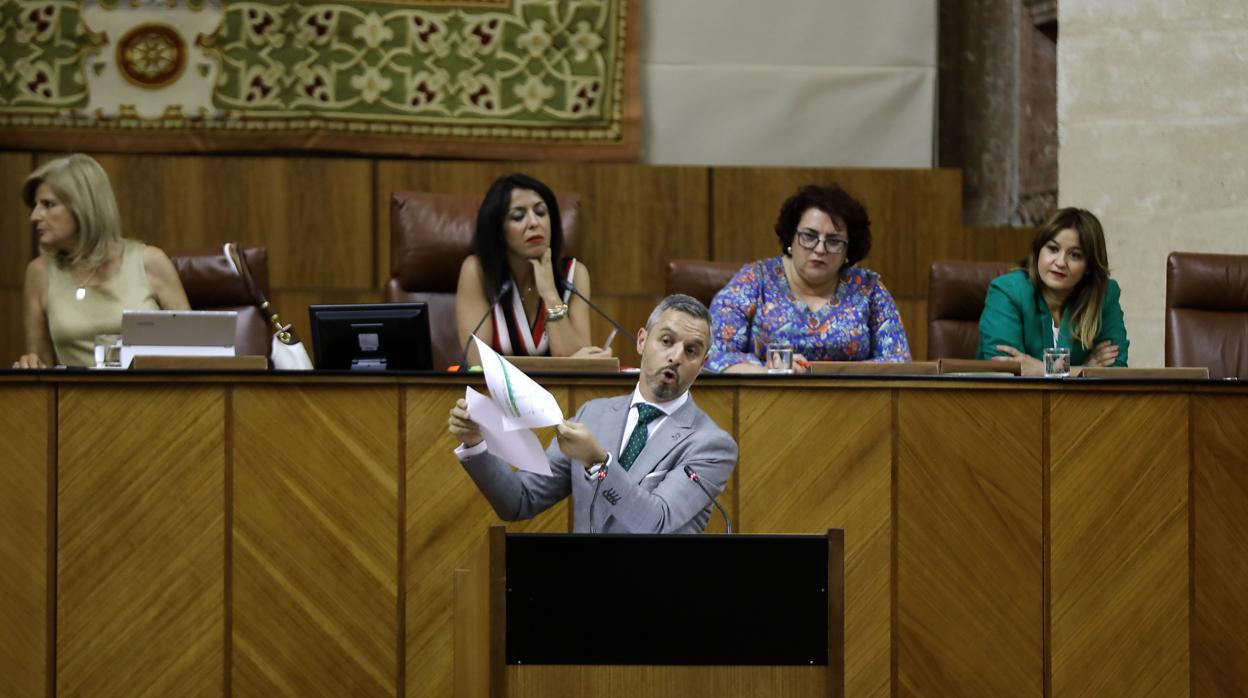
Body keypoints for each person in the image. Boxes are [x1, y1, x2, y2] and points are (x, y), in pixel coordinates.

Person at [447, 294, 737, 534]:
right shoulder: (593, 415)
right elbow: (520, 501)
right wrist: (476, 444)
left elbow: (655, 523)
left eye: (691, 350)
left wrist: (599, 462)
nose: (675, 356)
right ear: (641, 341)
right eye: (666, 341)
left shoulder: (711, 445)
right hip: (582, 592)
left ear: (702, 364)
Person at [706, 184, 910, 373]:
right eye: (809, 236)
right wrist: (770, 371)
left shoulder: (868, 289)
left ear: (848, 249)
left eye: (834, 241)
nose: (820, 249)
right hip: (765, 402)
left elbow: (899, 360)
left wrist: (834, 375)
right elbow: (712, 354)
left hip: (852, 404)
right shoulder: (754, 280)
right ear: (791, 239)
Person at [14, 154, 190, 369]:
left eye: (48, 205)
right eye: (35, 205)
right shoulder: (39, 273)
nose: (34, 216)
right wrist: (31, 364)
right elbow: (42, 364)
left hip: (152, 397)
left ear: (83, 207)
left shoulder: (150, 262)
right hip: (75, 400)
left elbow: (195, 351)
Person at [455, 172, 610, 366]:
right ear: (498, 232)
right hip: (495, 395)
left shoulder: (574, 274)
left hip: (558, 396)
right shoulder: (478, 272)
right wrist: (556, 368)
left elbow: (579, 365)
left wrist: (550, 294)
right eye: (518, 216)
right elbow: (478, 363)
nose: (534, 223)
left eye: (541, 212)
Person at [978, 207, 1128, 375]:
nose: (1061, 262)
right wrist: (1084, 368)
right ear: (1038, 251)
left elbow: (1117, 370)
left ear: (1089, 266)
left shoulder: (1103, 295)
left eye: (1075, 255)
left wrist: (1044, 369)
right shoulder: (1007, 291)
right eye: (1053, 249)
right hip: (1006, 400)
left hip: (1079, 401)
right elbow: (1006, 369)